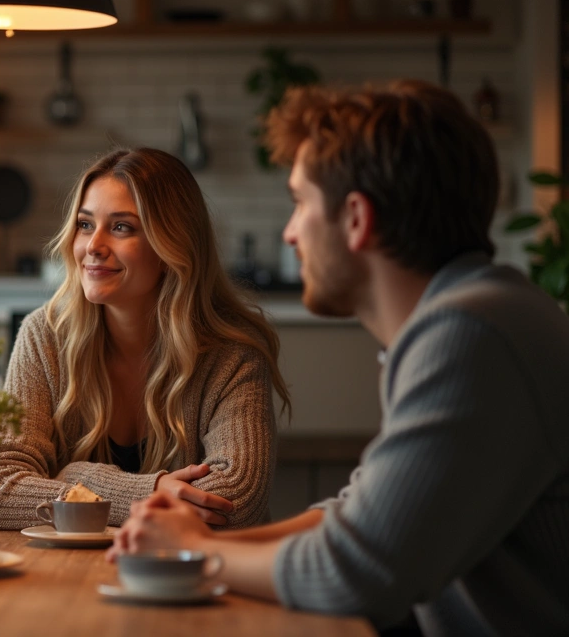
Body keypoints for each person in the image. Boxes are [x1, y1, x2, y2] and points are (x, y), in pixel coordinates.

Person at [110, 80, 569, 635]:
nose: (290, 233)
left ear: (356, 218)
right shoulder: (471, 317)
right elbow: (355, 518)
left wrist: (192, 555)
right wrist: (196, 539)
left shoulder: (472, 335)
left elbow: (356, 572)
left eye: (300, 203)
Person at [0, 147, 291, 530]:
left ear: (172, 246)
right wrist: (148, 491)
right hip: (70, 573)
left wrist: (73, 479)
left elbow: (232, 501)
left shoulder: (233, 355)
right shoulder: (44, 337)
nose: (93, 246)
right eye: (84, 224)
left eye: (121, 227)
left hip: (194, 578)